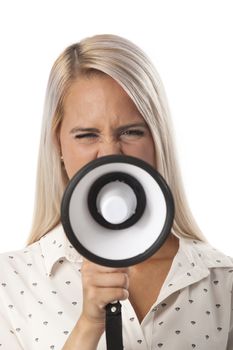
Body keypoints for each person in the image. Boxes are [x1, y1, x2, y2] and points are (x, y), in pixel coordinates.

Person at [0, 34, 232, 350]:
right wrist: (88, 326)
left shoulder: (221, 281)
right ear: (58, 146)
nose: (110, 154)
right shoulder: (12, 282)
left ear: (157, 139)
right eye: (86, 135)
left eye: (131, 132)